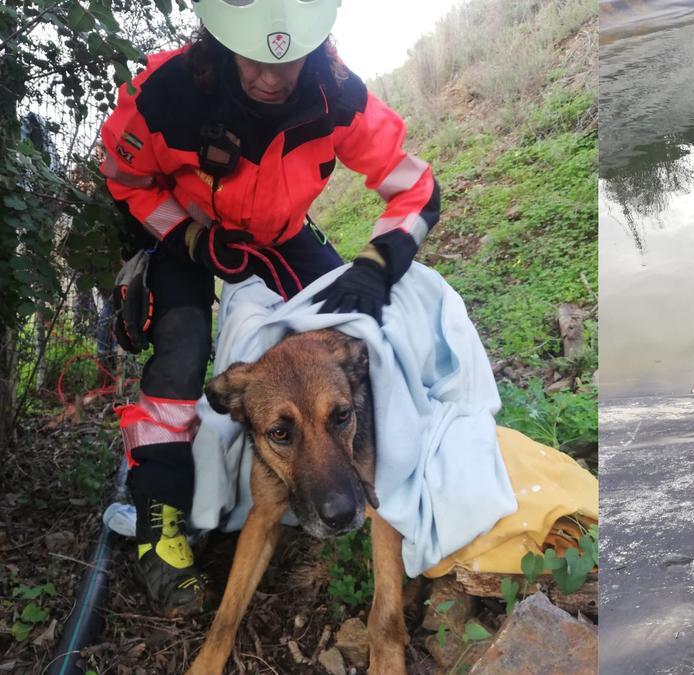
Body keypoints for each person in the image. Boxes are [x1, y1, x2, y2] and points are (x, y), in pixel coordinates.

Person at [99, 0, 439, 616]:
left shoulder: (337, 94)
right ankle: (160, 519)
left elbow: (415, 188)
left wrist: (376, 264)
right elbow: (129, 183)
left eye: (289, 60)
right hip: (188, 234)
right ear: (220, 39)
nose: (272, 77)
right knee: (182, 348)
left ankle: (369, 469)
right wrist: (191, 239)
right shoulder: (165, 95)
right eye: (254, 59)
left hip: (281, 234)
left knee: (360, 325)